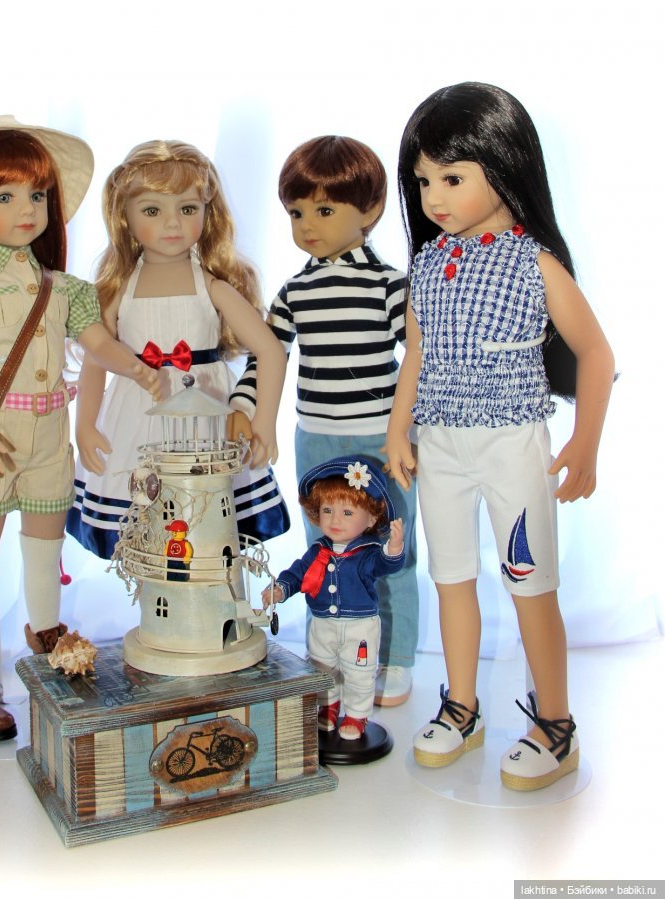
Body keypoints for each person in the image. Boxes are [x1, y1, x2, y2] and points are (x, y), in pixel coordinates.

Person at [385, 83, 614, 790]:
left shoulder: (532, 262)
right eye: (423, 181)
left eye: (451, 178)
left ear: (503, 165)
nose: (433, 197)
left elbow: (596, 353)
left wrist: (585, 442)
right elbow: (417, 354)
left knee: (530, 583)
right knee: (451, 576)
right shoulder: (428, 264)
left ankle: (556, 723)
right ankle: (462, 706)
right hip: (440, 444)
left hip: (511, 443)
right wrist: (398, 427)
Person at [0, 116, 160, 742]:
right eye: (5, 196)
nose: (27, 209)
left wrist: (138, 367)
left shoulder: (63, 287)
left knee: (46, 549)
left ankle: (50, 640)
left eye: (38, 195)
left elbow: (97, 343)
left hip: (50, 437)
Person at [230, 136, 418, 707]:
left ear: (371, 209)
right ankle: (328, 656)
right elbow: (266, 355)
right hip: (316, 436)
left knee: (391, 547)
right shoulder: (295, 292)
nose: (307, 225)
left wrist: (409, 431)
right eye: (296, 213)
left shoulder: (390, 285)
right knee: (323, 547)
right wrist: (243, 408)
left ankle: (394, 655)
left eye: (325, 210)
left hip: (381, 437)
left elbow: (419, 358)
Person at [66, 140, 289, 560]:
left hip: (207, 412)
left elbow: (271, 351)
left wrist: (265, 421)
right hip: (138, 413)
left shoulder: (213, 287)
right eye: (152, 211)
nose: (172, 223)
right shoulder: (119, 292)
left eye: (187, 209)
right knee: (148, 519)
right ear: (125, 217)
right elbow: (96, 359)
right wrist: (85, 425)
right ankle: (155, 592)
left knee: (207, 518)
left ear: (207, 211)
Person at [262, 456, 404, 740]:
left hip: (359, 626)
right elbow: (297, 573)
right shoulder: (317, 550)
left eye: (347, 512)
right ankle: (327, 706)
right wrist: (281, 589)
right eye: (328, 510)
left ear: (371, 518)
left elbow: (385, 565)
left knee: (359, 671)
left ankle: (357, 714)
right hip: (322, 623)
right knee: (321, 667)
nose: (335, 520)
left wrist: (394, 548)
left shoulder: (367, 553)